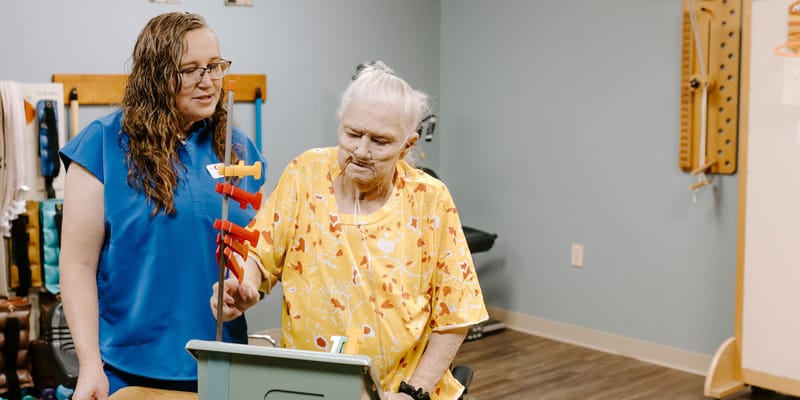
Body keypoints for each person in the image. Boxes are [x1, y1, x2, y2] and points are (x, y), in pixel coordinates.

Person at [211, 61, 487, 400]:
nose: (360, 150)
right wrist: (244, 286)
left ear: (407, 143)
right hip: (308, 387)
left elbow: (455, 314)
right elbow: (260, 251)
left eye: (380, 141)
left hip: (397, 390)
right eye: (352, 134)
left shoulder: (430, 199)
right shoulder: (305, 173)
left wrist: (414, 391)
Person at [58, 12, 266, 399]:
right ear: (155, 74)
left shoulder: (238, 149)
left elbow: (262, 250)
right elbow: (76, 265)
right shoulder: (101, 145)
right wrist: (88, 365)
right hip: (129, 371)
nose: (208, 82)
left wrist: (249, 286)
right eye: (190, 70)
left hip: (223, 367)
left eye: (215, 66)